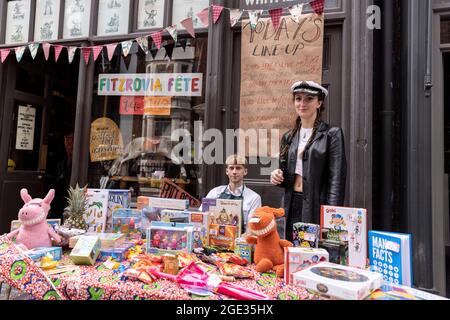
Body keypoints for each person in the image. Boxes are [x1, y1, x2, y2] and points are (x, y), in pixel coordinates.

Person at [270, 80, 347, 242]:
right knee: (290, 250)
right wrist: (277, 176)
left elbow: (337, 179)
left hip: (316, 205)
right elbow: (284, 176)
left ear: (319, 102)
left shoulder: (331, 134)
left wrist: (331, 213)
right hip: (291, 204)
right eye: (298, 99)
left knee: (312, 253)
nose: (302, 103)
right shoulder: (289, 136)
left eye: (309, 99)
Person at [203, 154, 262, 233]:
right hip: (214, 240)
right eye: (231, 168)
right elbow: (203, 217)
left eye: (238, 168)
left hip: (240, 242)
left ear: (245, 171)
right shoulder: (214, 193)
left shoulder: (254, 198)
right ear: (227, 171)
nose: (234, 172)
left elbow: (252, 228)